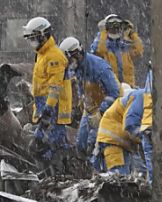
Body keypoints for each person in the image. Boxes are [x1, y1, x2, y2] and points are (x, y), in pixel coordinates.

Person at [59, 37, 121, 161]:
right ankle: (84, 169)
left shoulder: (99, 68)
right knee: (81, 144)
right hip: (89, 110)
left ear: (77, 54)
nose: (68, 63)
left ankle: (99, 169)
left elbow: (115, 93)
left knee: (95, 144)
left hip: (107, 111)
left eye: (69, 59)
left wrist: (101, 112)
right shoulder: (77, 68)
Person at [23, 17, 73, 161]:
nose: (31, 42)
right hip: (44, 105)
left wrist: (48, 108)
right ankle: (52, 174)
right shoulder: (42, 54)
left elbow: (55, 87)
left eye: (33, 38)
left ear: (43, 35)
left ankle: (61, 174)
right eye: (30, 38)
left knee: (53, 144)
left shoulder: (54, 56)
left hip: (53, 107)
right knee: (42, 144)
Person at [95, 83, 139, 174]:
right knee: (119, 177)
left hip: (114, 142)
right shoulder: (134, 103)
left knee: (120, 178)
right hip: (114, 143)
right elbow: (131, 129)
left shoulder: (126, 103)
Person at [90, 14, 143, 86]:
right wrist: (103, 32)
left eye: (117, 26)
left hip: (128, 87)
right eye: (111, 26)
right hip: (110, 87)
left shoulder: (124, 46)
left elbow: (139, 51)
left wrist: (131, 33)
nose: (114, 29)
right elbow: (100, 50)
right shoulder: (102, 43)